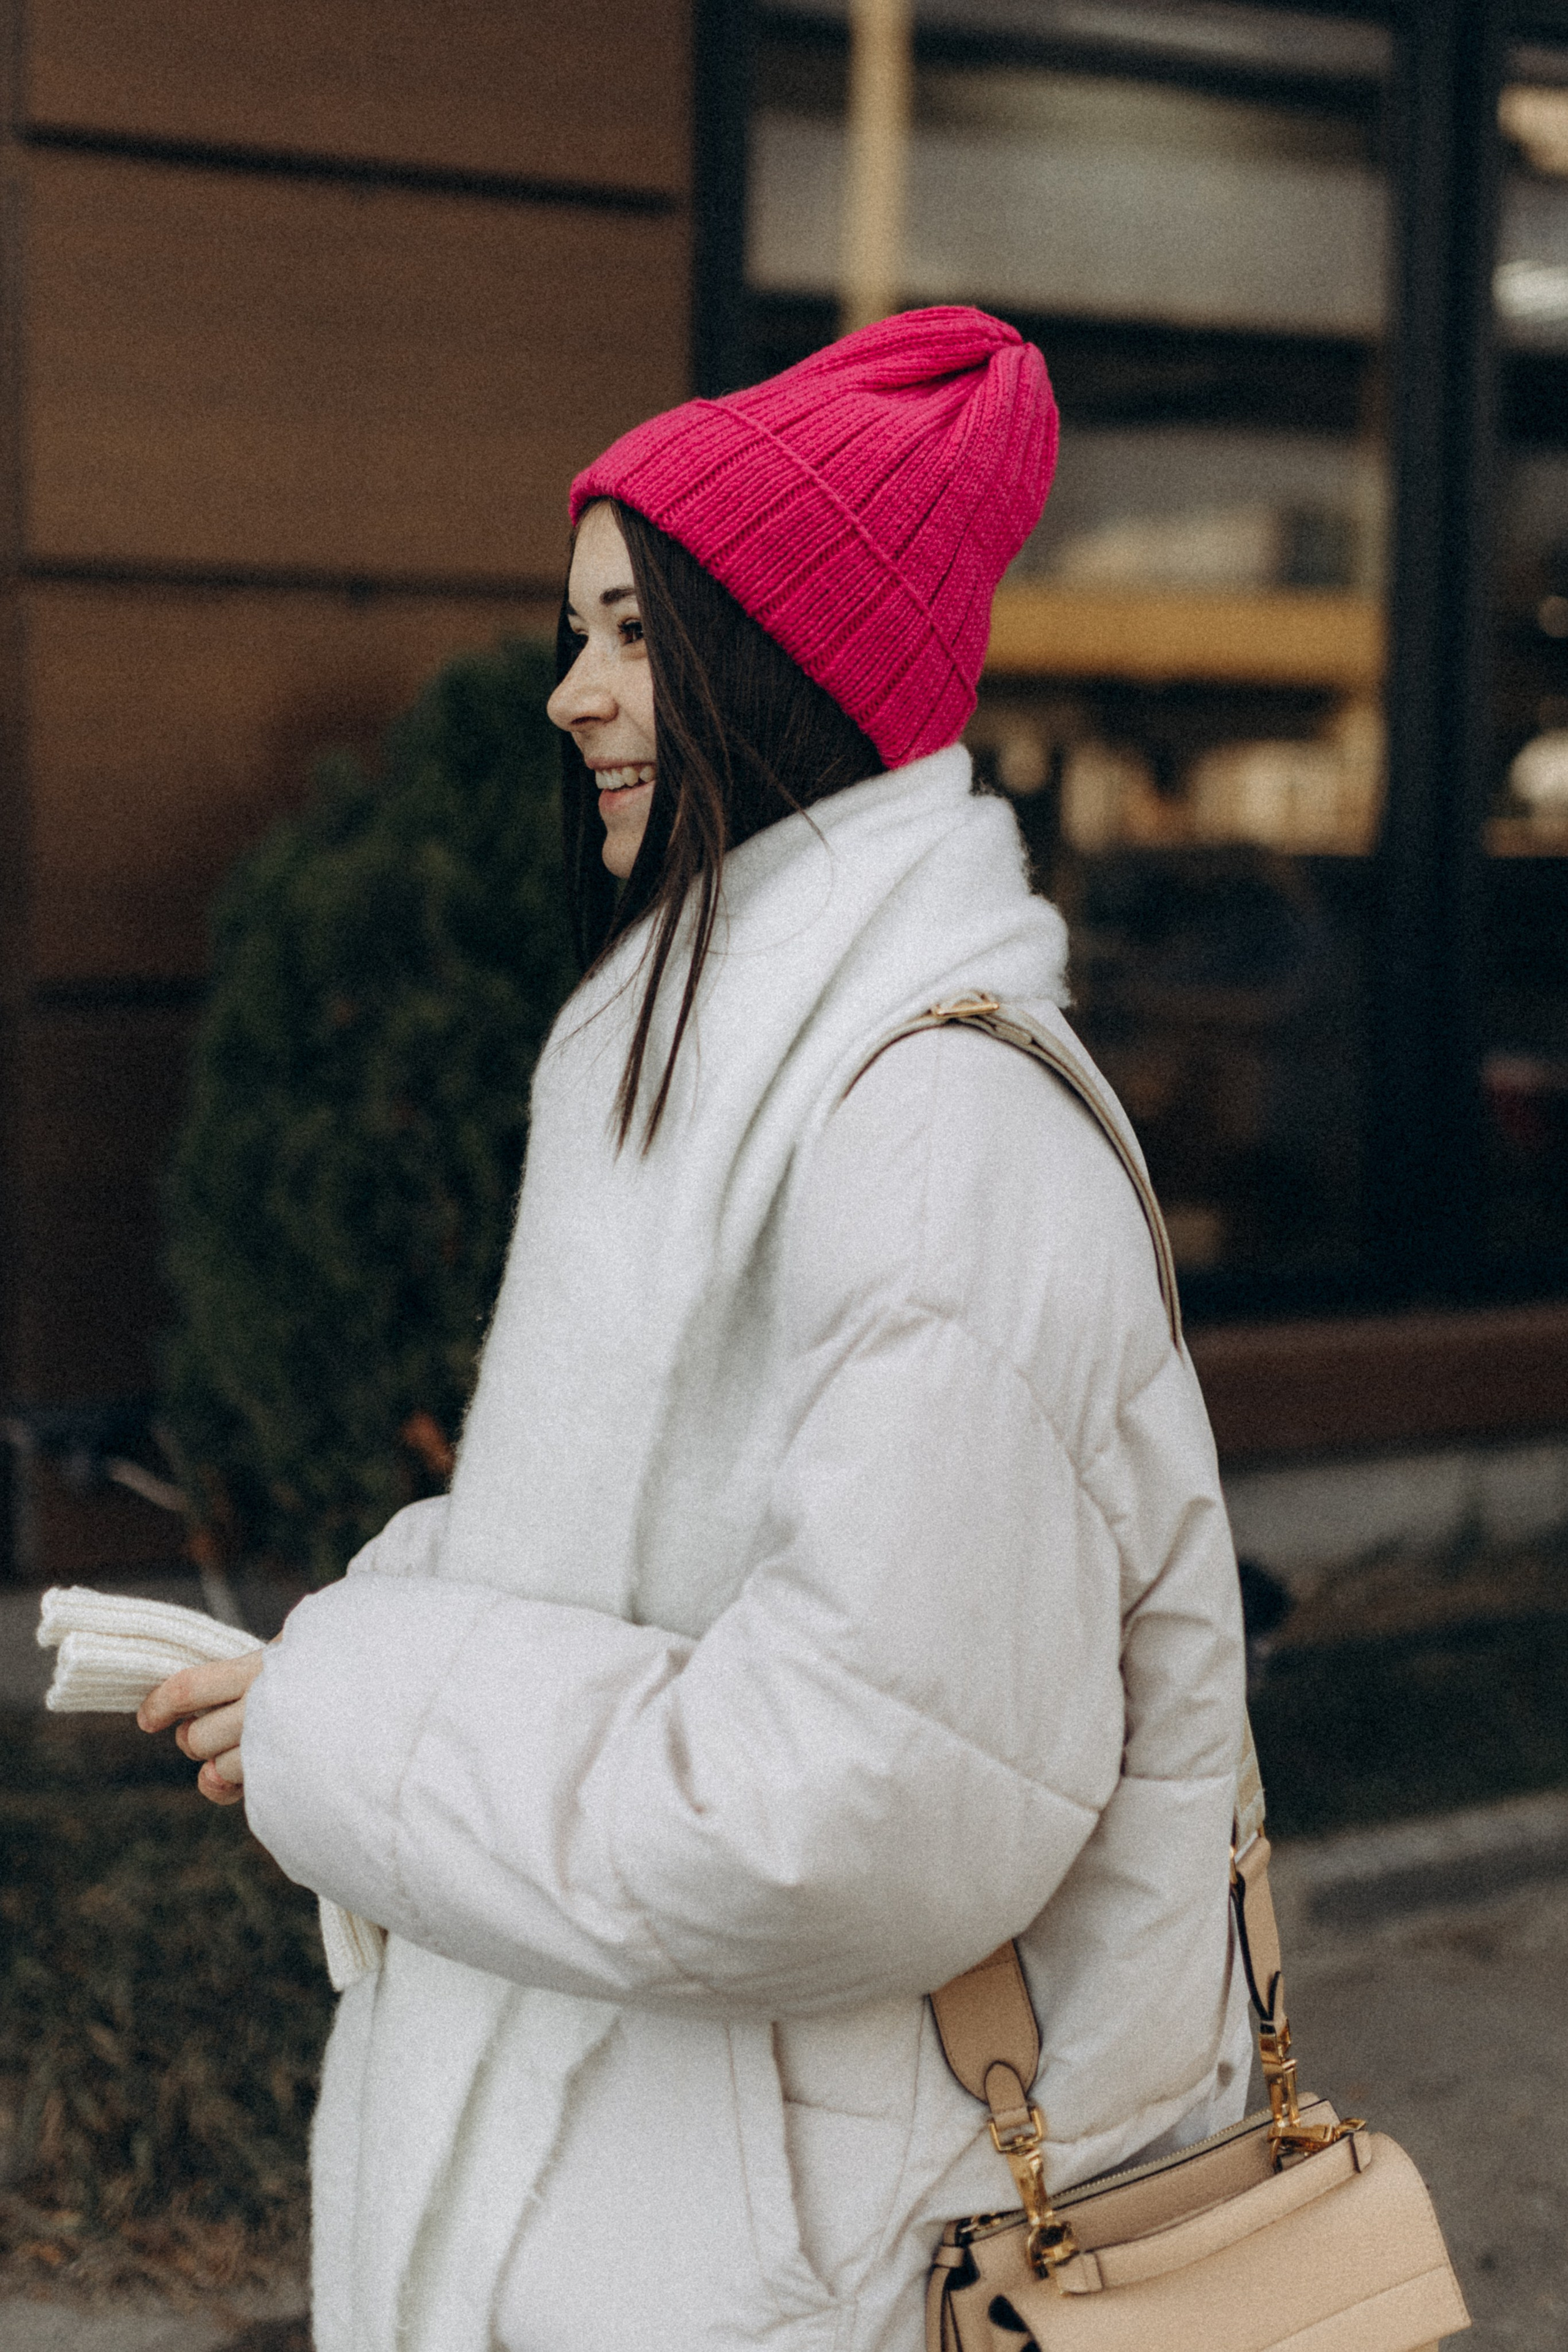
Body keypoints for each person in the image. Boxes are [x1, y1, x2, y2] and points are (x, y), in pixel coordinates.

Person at [140, 307, 1250, 2352]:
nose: (572, 693)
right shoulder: (743, 1060)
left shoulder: (926, 1126)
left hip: (828, 2254)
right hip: (705, 2210)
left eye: (635, 633)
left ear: (787, 659)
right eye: (579, 632)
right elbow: (676, 1568)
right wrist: (348, 1649)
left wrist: (363, 1724)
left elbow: (858, 1800)